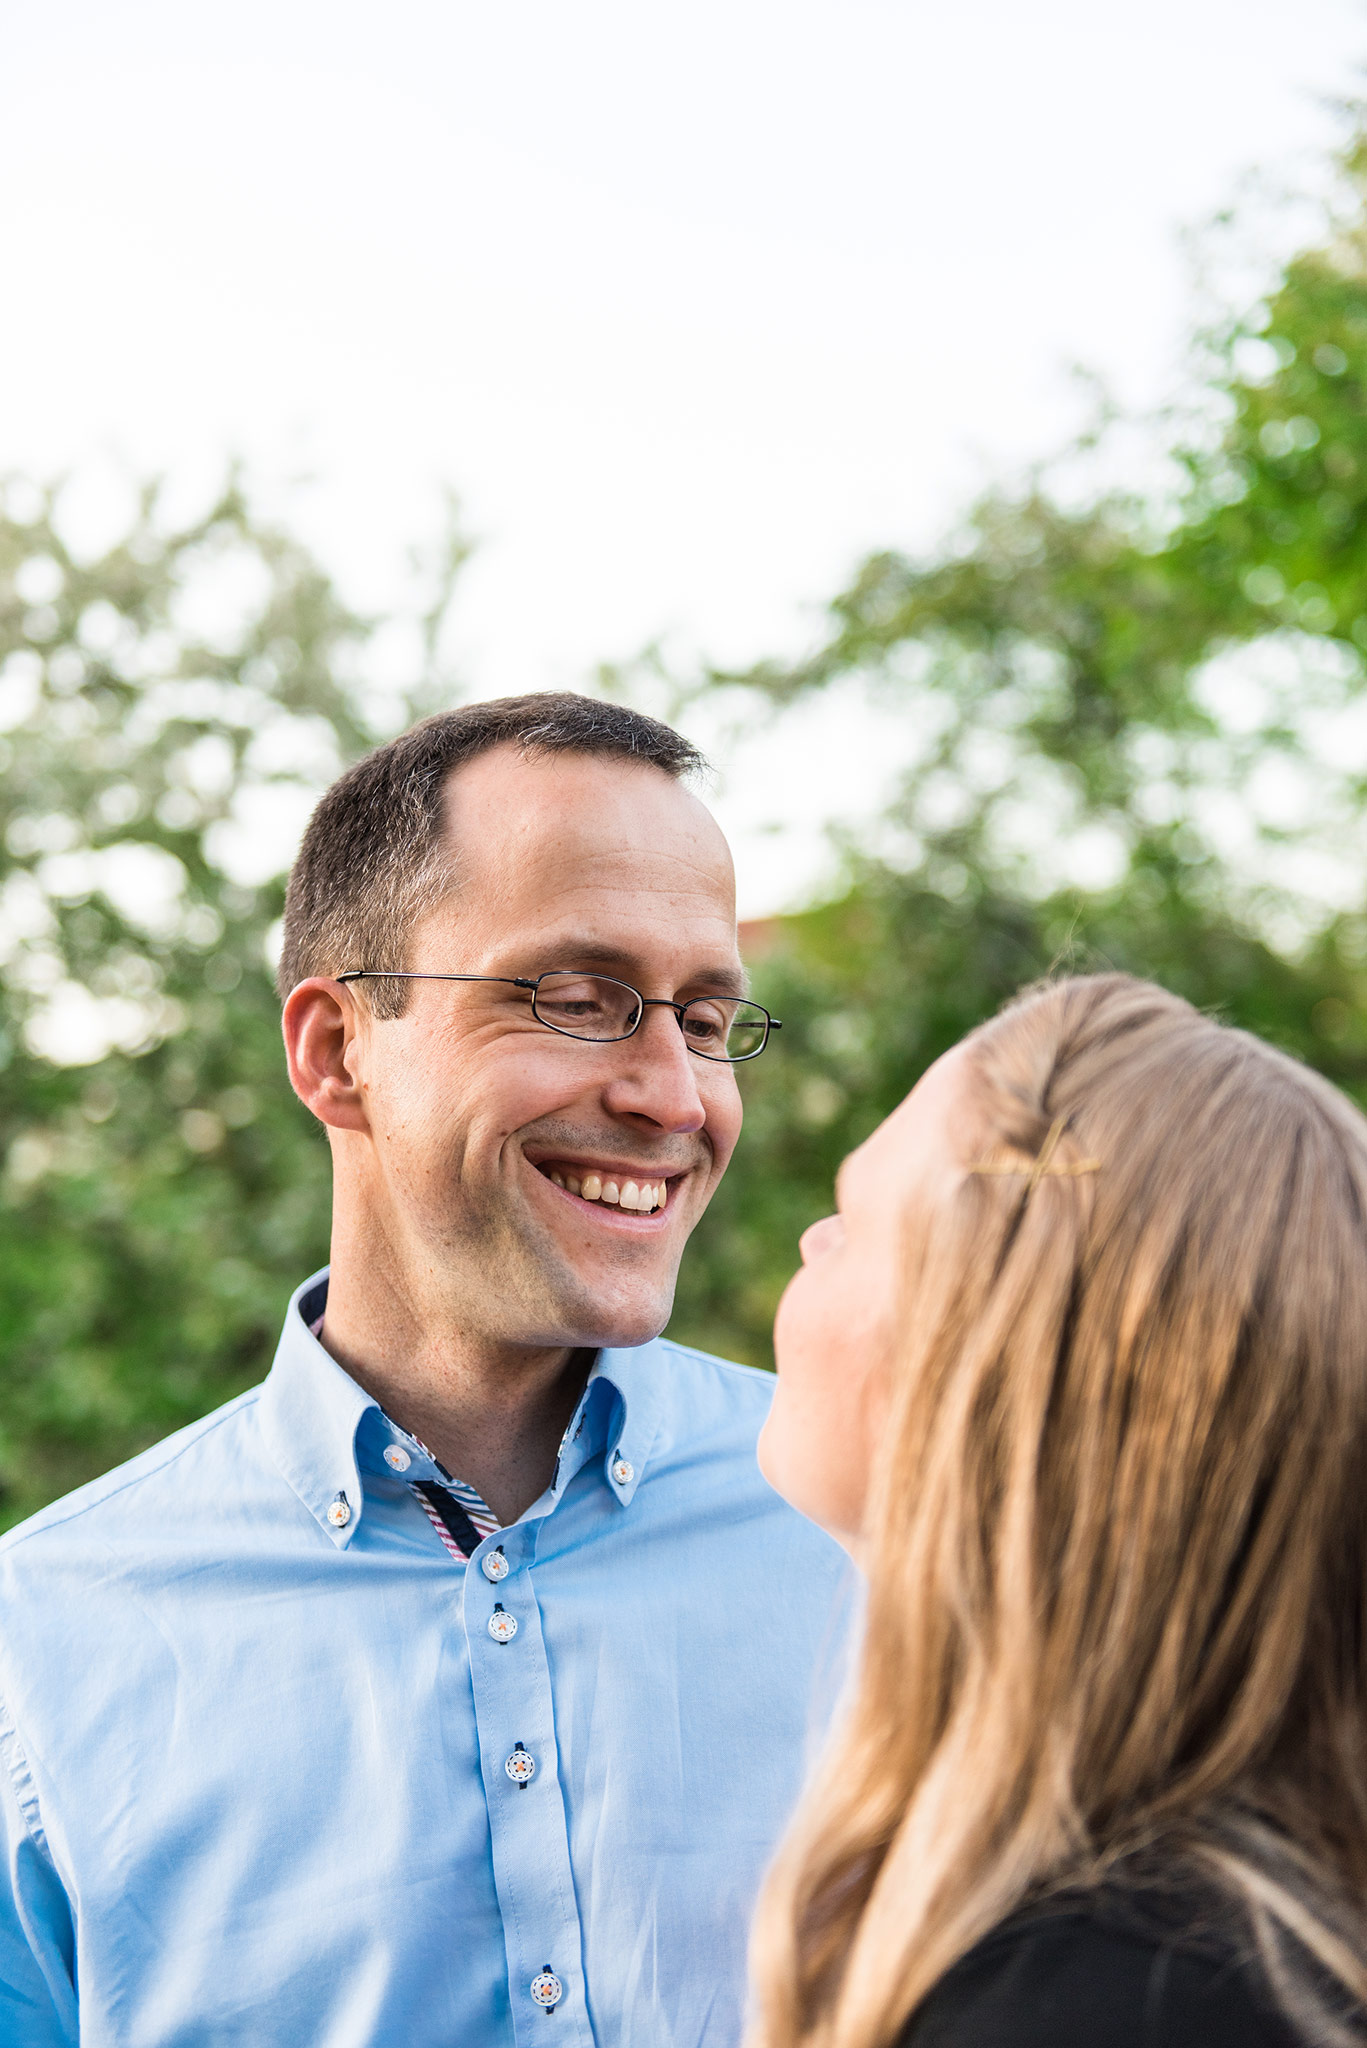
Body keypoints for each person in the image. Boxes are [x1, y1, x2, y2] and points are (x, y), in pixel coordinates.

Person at [0, 693, 848, 2047]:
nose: (675, 1097)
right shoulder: (38, 1654)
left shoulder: (895, 1543)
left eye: (701, 1018)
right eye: (578, 1002)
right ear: (338, 1052)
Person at [751, 972, 1367, 2048]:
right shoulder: (1254, 1938)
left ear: (976, 1371)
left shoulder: (1088, 2001)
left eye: (848, 1223)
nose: (809, 1241)